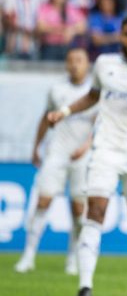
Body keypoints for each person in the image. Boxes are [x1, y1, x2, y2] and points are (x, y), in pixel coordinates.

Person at [47, 15, 127, 296]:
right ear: (121, 36)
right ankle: (85, 287)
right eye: (126, 34)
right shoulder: (104, 64)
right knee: (94, 213)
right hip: (106, 149)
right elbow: (92, 96)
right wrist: (65, 112)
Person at [15, 48, 95, 275]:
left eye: (79, 60)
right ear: (66, 64)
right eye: (70, 61)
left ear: (87, 64)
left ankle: (72, 259)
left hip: (82, 157)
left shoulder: (95, 93)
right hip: (57, 153)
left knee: (79, 211)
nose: (75, 65)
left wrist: (86, 146)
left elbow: (100, 125)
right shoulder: (57, 90)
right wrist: (36, 147)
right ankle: (28, 256)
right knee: (43, 202)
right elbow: (45, 117)